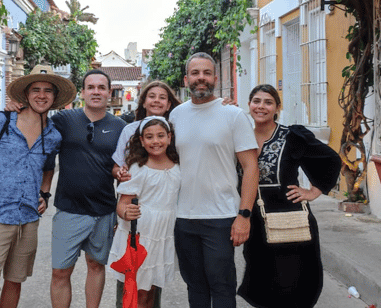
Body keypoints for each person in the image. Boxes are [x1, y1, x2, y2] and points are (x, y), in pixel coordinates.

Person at [0, 64, 76, 308]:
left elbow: (48, 165)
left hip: (28, 218)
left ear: (55, 97)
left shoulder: (53, 135)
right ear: (26, 95)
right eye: (36, 90)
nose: (42, 95)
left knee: (14, 282)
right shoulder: (2, 121)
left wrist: (44, 193)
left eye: (48, 91)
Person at [237, 84, 342, 308]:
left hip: (289, 219)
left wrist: (314, 190)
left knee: (293, 283)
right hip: (255, 221)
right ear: (249, 105)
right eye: (256, 101)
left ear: (277, 108)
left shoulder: (291, 136)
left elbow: (330, 159)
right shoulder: (240, 137)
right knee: (262, 282)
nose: (261, 107)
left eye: (268, 102)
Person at [169, 52, 259, 308]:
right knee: (194, 286)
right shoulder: (176, 116)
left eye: (206, 73)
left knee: (221, 286)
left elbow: (251, 167)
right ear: (186, 79)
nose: (201, 78)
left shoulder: (233, 115)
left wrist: (244, 215)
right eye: (195, 73)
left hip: (221, 217)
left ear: (216, 78)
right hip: (184, 216)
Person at [49, 69, 127, 308]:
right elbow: (34, 124)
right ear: (82, 92)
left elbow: (123, 168)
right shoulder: (63, 120)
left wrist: (121, 205)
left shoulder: (120, 127)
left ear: (109, 92)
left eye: (101, 87)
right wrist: (15, 107)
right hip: (68, 209)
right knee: (60, 272)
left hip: (103, 211)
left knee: (96, 265)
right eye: (90, 87)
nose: (96, 92)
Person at [108, 116, 181, 308]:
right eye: (149, 137)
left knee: (151, 291)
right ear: (141, 140)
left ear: (170, 137)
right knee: (137, 293)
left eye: (160, 136)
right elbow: (122, 203)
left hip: (162, 235)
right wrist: (125, 212)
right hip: (141, 237)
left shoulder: (177, 164)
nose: (155, 141)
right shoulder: (137, 167)